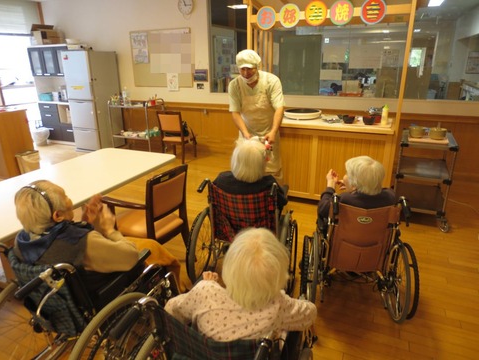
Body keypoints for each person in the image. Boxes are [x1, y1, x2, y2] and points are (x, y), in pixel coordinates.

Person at [13, 180, 181, 290]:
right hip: (104, 289)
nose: (69, 199)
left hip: (62, 295)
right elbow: (131, 257)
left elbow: (68, 243)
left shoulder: (21, 242)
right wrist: (109, 230)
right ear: (57, 216)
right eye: (65, 196)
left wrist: (87, 225)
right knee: (154, 249)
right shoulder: (83, 243)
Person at [165, 227, 316, 342]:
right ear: (280, 278)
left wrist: (210, 287)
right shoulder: (279, 305)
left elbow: (171, 310)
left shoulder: (205, 291)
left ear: (228, 267)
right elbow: (310, 314)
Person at [228, 49, 285, 182]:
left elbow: (279, 108)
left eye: (249, 69)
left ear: (257, 67)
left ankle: (273, 200)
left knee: (271, 170)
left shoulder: (271, 81)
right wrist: (246, 134)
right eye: (242, 69)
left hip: (268, 134)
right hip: (246, 134)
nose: (246, 73)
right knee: (245, 170)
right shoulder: (234, 85)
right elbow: (235, 112)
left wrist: (273, 131)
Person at [213, 138, 287, 210]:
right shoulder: (269, 184)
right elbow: (282, 202)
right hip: (260, 221)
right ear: (261, 164)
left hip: (227, 221)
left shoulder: (221, 179)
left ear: (235, 160)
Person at [317, 155, 396, 220]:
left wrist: (330, 185)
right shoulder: (390, 196)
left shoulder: (344, 199)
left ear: (354, 184)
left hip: (346, 238)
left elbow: (323, 209)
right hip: (379, 238)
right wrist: (355, 188)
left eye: (347, 173)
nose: (345, 175)